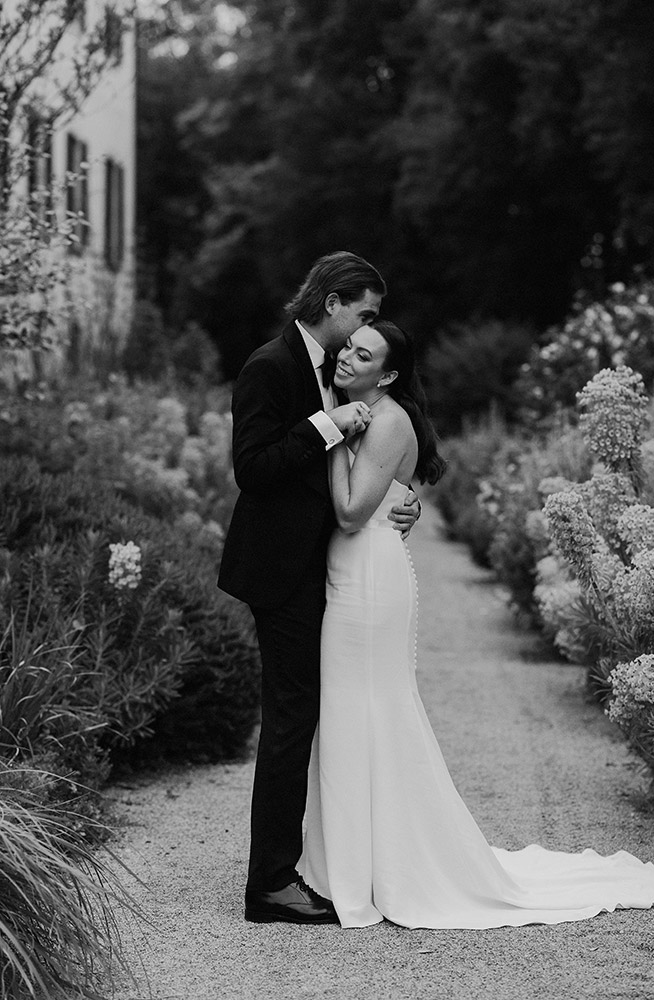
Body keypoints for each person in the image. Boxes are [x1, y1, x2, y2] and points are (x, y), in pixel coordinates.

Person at [299, 318, 654, 929]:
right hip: (354, 575)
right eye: (347, 349)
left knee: (366, 708)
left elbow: (349, 511)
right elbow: (383, 499)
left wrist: (334, 437)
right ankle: (348, 862)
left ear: (387, 373)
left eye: (363, 356)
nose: (346, 359)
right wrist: (338, 421)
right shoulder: (361, 410)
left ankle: (380, 866)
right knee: (349, 711)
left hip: (367, 580)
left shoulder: (385, 421)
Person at [217, 253, 421, 924]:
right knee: (290, 720)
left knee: (303, 716)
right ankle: (270, 884)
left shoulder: (331, 370)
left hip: (320, 567)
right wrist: (327, 425)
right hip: (278, 571)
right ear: (332, 302)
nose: (369, 326)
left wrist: (401, 499)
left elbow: (377, 461)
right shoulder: (271, 367)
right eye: (363, 313)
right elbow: (252, 468)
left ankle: (298, 867)